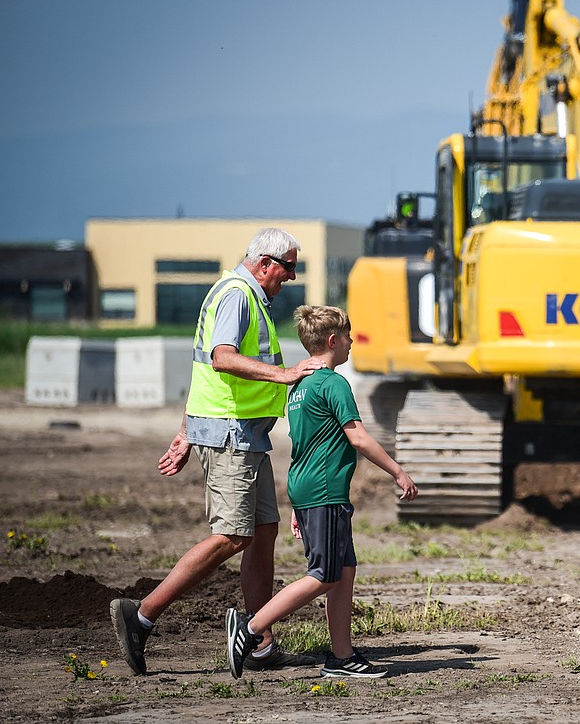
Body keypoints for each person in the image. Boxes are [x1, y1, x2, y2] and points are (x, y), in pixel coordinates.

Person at [110, 227, 328, 675]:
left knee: (264, 530)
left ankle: (260, 642)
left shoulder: (245, 297)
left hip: (244, 436)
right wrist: (284, 375)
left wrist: (186, 429)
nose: (291, 275)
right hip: (230, 437)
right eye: (288, 266)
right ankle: (142, 614)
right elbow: (220, 358)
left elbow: (203, 372)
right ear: (265, 262)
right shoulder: (237, 296)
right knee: (233, 535)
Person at [226, 305, 418, 679]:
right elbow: (357, 436)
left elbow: (303, 442)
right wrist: (398, 471)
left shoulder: (299, 385)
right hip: (325, 490)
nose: (350, 344)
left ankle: (342, 657)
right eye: (347, 336)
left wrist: (298, 505)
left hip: (310, 487)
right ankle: (250, 628)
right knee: (325, 574)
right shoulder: (332, 383)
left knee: (344, 570)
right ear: (333, 341)